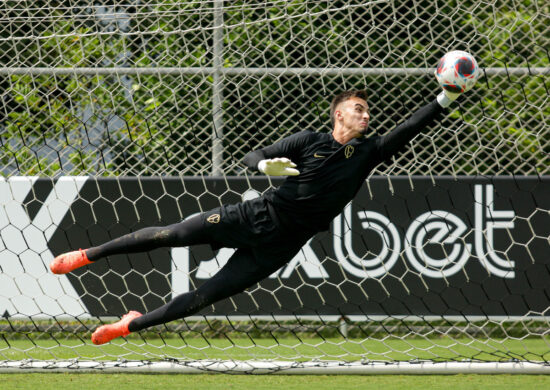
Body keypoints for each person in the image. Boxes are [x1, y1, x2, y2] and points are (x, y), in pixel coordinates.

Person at [50, 85, 462, 345]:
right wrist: (265, 167)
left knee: (205, 296)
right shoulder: (309, 141)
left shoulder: (368, 152)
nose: (366, 115)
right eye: (358, 109)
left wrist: (446, 97)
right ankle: (88, 255)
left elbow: (410, 128)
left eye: (367, 111)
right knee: (171, 234)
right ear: (339, 113)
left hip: (280, 245)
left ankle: (128, 327)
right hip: (253, 215)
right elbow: (256, 154)